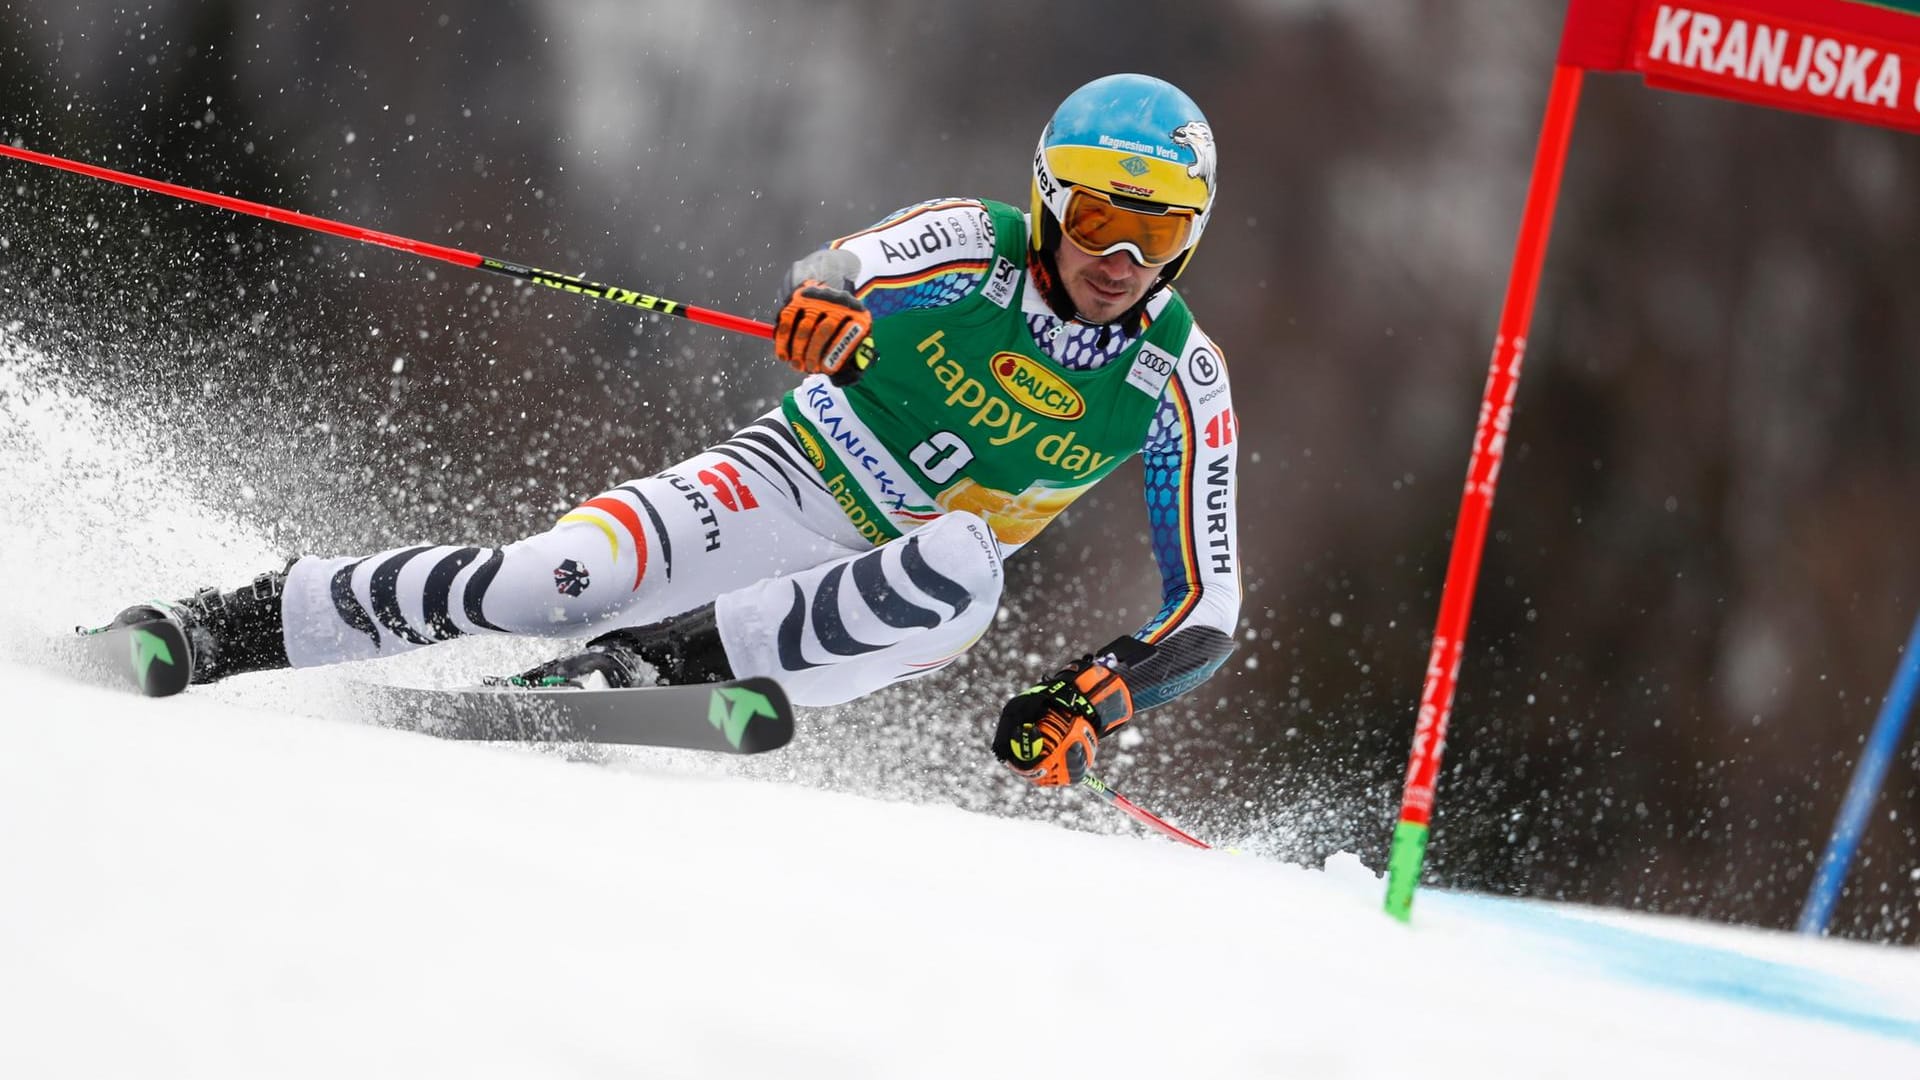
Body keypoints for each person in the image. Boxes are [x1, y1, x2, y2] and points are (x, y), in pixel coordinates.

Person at [103, 73, 1242, 788]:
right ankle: (218, 627)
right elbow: (848, 260)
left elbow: (1209, 606)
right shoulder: (975, 242)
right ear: (1048, 200)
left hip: (891, 602)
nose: (1119, 260)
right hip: (783, 482)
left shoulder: (1180, 376)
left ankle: (638, 672)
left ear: (1191, 238)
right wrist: (825, 300)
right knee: (550, 575)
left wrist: (1093, 697)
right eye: (1098, 217)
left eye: (1158, 233)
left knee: (965, 561)